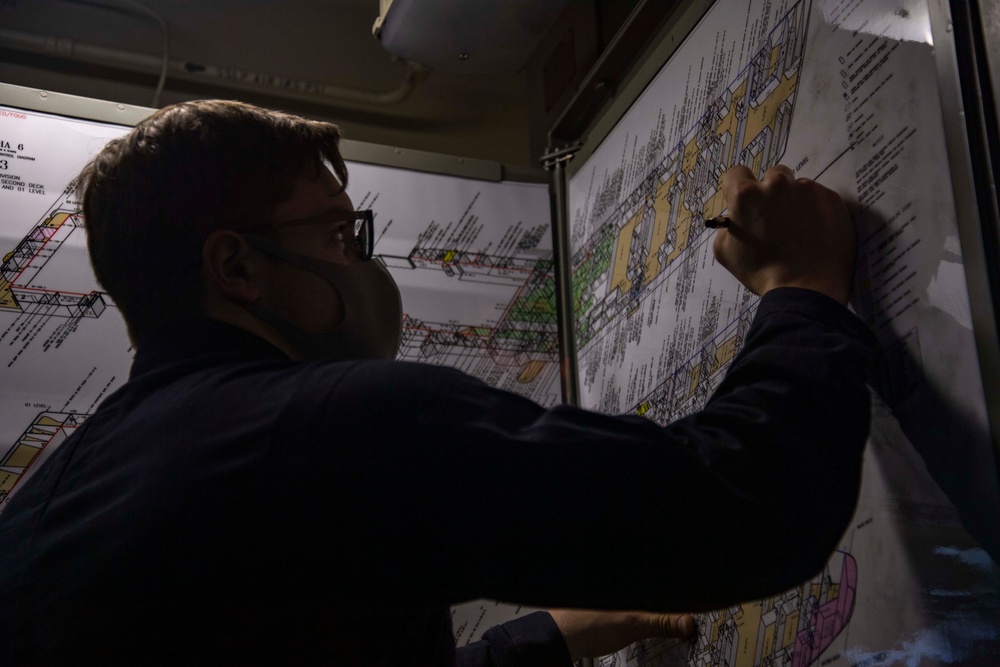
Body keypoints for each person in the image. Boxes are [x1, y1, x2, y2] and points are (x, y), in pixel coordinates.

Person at [0, 100, 876, 665]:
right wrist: (800, 288)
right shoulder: (332, 426)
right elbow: (740, 506)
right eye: (341, 239)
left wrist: (551, 637)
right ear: (238, 266)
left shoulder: (41, 512)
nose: (363, 269)